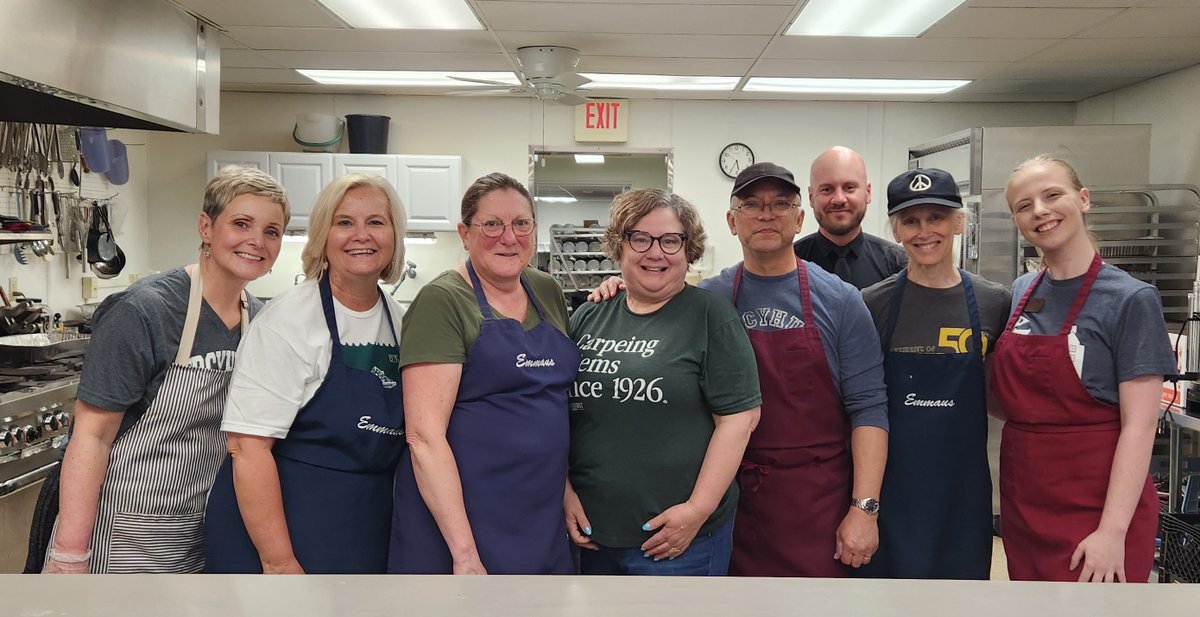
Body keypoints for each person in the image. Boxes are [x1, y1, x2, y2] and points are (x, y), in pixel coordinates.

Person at [42, 166, 289, 573]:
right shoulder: (145, 311)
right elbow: (92, 436)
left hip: (198, 532)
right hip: (115, 533)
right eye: (241, 224)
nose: (256, 241)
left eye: (272, 231)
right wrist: (70, 553)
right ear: (206, 227)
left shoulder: (260, 321)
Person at [204, 174, 408, 574]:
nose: (361, 235)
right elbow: (247, 448)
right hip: (284, 531)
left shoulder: (401, 322)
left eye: (376, 222)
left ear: (394, 235)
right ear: (322, 237)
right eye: (344, 222)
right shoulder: (289, 321)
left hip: (366, 523)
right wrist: (279, 562)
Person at [702, 163, 888, 576]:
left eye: (781, 204)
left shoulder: (842, 301)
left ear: (800, 218)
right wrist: (618, 289)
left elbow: (869, 408)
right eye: (752, 205)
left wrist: (864, 509)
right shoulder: (707, 300)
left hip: (817, 502)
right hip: (731, 501)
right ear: (731, 222)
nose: (766, 215)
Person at [993, 155, 1172, 582]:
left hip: (1097, 508)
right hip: (1026, 501)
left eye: (1052, 195)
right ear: (1017, 221)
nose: (1040, 211)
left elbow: (1141, 426)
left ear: (1084, 199)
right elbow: (1007, 400)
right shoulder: (1021, 291)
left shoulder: (1131, 299)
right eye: (1024, 205)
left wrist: (1112, 532)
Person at [388, 173, 578, 575]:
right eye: (492, 224)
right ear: (465, 233)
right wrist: (464, 553)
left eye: (521, 223)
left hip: (539, 513)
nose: (509, 238)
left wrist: (565, 493)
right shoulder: (443, 301)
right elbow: (424, 438)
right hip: (466, 517)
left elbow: (548, 406)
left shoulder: (546, 290)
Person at [565, 188, 761, 576]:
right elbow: (558, 414)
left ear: (688, 249)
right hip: (593, 534)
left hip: (677, 540)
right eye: (640, 238)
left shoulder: (711, 317)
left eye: (670, 240)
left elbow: (739, 420)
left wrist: (697, 510)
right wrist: (565, 492)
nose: (656, 253)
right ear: (619, 246)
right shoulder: (589, 316)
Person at [858, 168, 1011, 580]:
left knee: (958, 599)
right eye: (911, 221)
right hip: (892, 488)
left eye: (936, 218)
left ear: (959, 222)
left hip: (963, 491)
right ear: (896, 231)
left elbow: (1002, 393)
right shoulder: (872, 304)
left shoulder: (995, 302)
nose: (924, 231)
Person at [793, 146, 907, 289]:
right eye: (827, 189)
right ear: (811, 197)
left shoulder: (899, 264)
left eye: (849, 188)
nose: (839, 199)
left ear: (868, 192)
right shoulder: (789, 262)